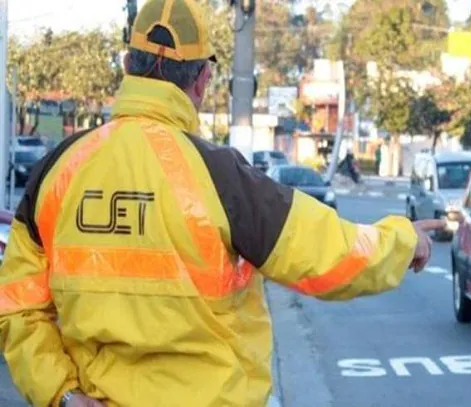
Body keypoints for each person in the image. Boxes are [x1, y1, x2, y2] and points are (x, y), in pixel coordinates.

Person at [0, 1, 445, 406]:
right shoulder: (218, 175)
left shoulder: (56, 172)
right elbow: (328, 255)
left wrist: (62, 396)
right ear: (203, 79)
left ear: (125, 65)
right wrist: (404, 241)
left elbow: (16, 306)